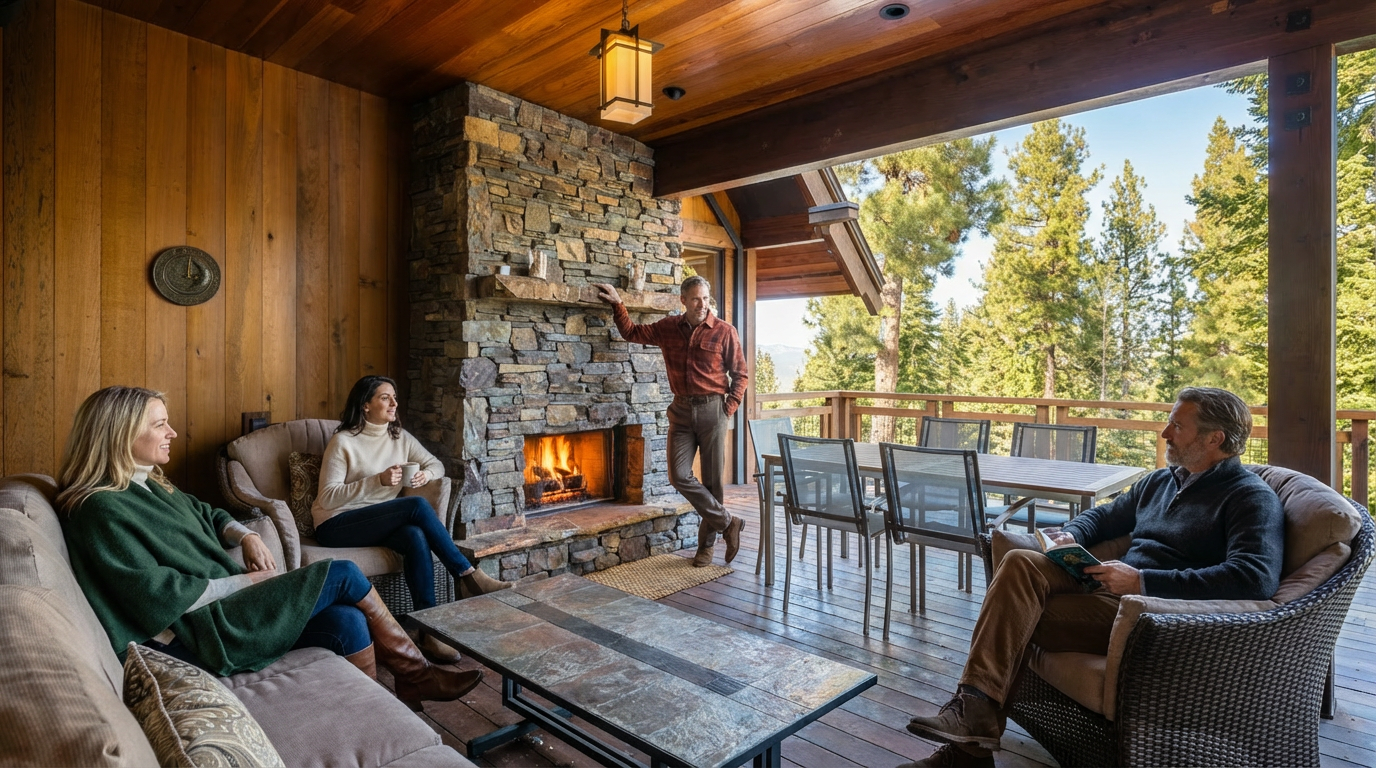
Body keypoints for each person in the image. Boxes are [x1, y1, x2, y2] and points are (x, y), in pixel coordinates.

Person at [901, 387, 1284, 767]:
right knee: (1020, 561)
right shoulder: (1162, 481)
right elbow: (1104, 515)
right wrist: (1073, 534)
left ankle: (966, 746)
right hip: (1110, 591)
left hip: (1154, 617)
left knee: (1010, 619)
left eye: (1177, 426)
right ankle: (971, 722)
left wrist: (1142, 582)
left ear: (1214, 438)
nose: (1165, 433)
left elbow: (1253, 579)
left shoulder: (1249, 498)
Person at [59, 385, 481, 710]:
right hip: (203, 632)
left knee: (348, 621)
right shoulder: (100, 508)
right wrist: (247, 581)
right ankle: (417, 671)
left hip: (223, 611)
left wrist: (247, 536)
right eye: (159, 425)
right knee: (342, 574)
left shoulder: (148, 482)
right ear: (119, 433)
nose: (171, 432)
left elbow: (208, 513)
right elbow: (157, 596)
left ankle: (392, 706)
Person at [313, 375, 512, 662]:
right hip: (336, 524)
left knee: (415, 536)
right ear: (366, 405)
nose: (394, 403)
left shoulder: (399, 437)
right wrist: (376, 481)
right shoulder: (343, 441)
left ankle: (427, 632)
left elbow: (437, 465)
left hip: (374, 523)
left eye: (394, 397)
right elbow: (327, 497)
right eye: (385, 397)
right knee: (415, 505)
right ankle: (468, 575)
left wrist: (425, 475)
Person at [595, 275, 749, 567]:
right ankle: (728, 523)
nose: (701, 304)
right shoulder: (668, 328)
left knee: (713, 483)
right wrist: (618, 304)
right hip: (680, 412)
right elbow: (632, 333)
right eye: (695, 299)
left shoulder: (725, 332)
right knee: (678, 475)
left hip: (713, 410)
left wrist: (728, 408)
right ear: (683, 300)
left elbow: (740, 374)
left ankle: (705, 547)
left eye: (705, 299)